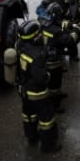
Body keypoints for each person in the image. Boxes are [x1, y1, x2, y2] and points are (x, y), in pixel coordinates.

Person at [16, 20, 61, 153]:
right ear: (34, 37)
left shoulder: (19, 46)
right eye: (39, 34)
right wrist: (47, 75)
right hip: (37, 93)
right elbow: (41, 78)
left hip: (23, 90)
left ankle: (31, 137)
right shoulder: (36, 56)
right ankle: (48, 146)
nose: (41, 35)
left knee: (29, 115)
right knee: (47, 119)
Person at [38, 2, 70, 112]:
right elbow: (67, 41)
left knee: (51, 82)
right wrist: (73, 33)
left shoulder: (42, 24)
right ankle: (55, 106)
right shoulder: (56, 31)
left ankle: (56, 95)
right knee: (55, 84)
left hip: (45, 58)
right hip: (54, 61)